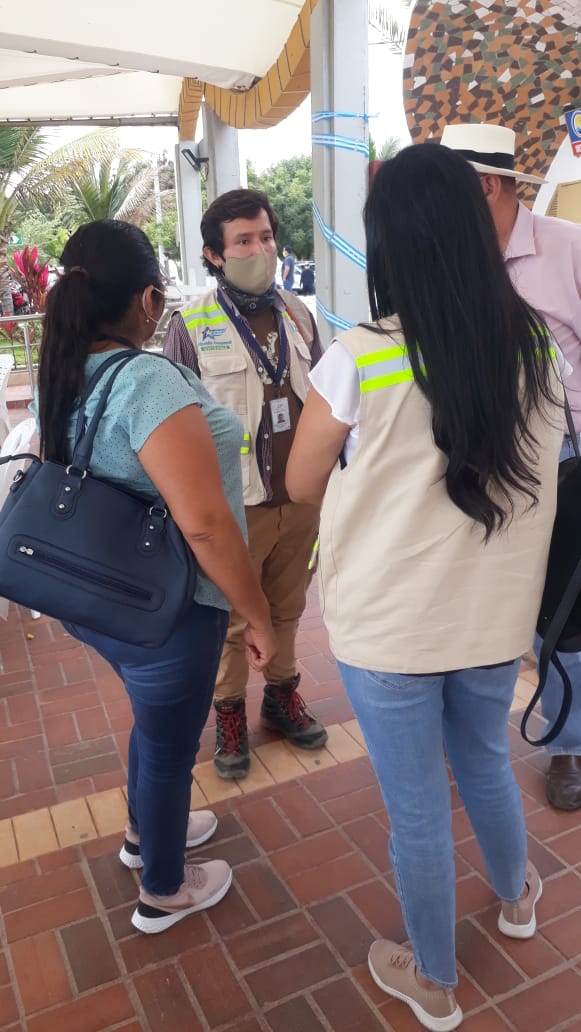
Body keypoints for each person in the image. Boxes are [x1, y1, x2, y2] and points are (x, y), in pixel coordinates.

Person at [286, 143, 564, 1031]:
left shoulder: (358, 357)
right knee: (482, 759)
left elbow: (299, 481)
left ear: (391, 243)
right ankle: (517, 898)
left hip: (387, 627)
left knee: (415, 810)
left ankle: (434, 981)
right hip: (493, 619)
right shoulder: (534, 345)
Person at [37, 219, 276, 934]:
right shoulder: (146, 382)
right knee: (172, 747)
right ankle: (163, 890)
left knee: (155, 723)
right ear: (147, 300)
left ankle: (144, 834)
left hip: (100, 596)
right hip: (169, 605)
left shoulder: (64, 369)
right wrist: (257, 613)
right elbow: (205, 527)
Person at [162, 189, 327, 779]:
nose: (261, 250)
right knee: (231, 618)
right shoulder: (190, 325)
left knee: (288, 606)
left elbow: (325, 404)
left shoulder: (300, 315)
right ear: (214, 255)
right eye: (243, 242)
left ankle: (281, 697)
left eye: (265, 237)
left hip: (300, 500)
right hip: (235, 506)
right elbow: (174, 424)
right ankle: (228, 714)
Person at [442, 121, 581, 811]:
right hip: (475, 461)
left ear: (488, 186)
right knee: (482, 599)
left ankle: (568, 744)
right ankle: (468, 736)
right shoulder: (448, 260)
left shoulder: (567, 247)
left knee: (564, 610)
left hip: (563, 460)